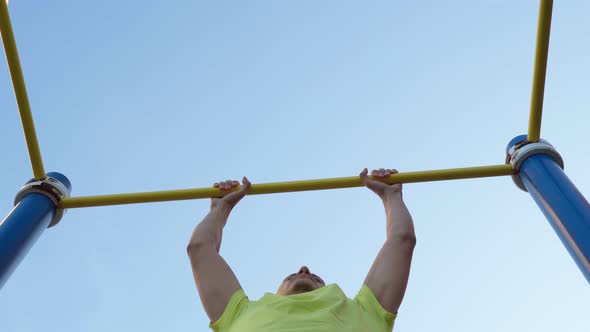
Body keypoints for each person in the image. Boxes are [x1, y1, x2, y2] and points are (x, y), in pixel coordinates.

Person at [187, 168, 416, 331]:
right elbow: (199, 249)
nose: (304, 269)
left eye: (315, 276)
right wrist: (220, 209)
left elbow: (402, 240)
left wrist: (392, 196)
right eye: (295, 274)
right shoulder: (239, 314)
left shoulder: (366, 311)